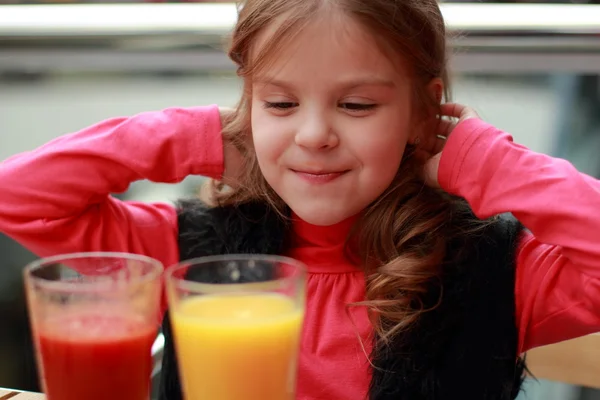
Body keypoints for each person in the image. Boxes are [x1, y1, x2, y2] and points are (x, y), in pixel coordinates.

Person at [1, 0, 600, 399]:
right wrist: (193, 136)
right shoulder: (188, 250)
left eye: (357, 105)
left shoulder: (497, 269)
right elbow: (17, 198)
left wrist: (488, 161)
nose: (314, 135)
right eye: (281, 104)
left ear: (423, 110)